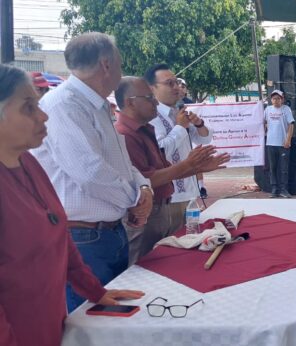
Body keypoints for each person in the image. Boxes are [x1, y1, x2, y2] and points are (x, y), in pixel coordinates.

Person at [0, 63, 145, 346]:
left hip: (48, 323)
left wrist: (96, 291)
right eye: (29, 107)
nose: (43, 116)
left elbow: (59, 235)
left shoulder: (28, 163)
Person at [29, 33, 153, 311]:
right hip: (84, 239)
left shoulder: (96, 106)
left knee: (114, 320)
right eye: (120, 62)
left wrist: (143, 189)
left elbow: (122, 163)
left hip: (108, 233)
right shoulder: (64, 105)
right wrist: (135, 201)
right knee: (91, 325)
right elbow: (90, 172)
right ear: (107, 65)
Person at [114, 77, 229, 264]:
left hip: (164, 208)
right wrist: (189, 165)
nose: (155, 102)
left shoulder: (145, 128)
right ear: (130, 102)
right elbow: (147, 180)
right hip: (148, 215)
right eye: (150, 97)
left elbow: (164, 171)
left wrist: (197, 167)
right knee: (142, 271)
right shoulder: (125, 133)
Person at [145, 64, 213, 218]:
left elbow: (205, 138)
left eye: (177, 82)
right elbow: (160, 152)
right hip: (170, 197)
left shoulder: (177, 111)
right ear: (151, 88)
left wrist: (199, 124)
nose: (177, 87)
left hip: (189, 191)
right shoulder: (151, 116)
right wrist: (181, 127)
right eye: (170, 83)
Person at [261, 89, 295, 198]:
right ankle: (274, 189)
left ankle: (283, 189)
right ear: (271, 100)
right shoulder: (267, 110)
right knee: (273, 167)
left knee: (284, 168)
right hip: (270, 143)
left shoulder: (286, 109)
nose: (276, 100)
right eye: (274, 98)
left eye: (278, 98)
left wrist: (288, 139)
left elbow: (291, 125)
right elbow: (264, 123)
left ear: (282, 99)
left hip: (283, 144)